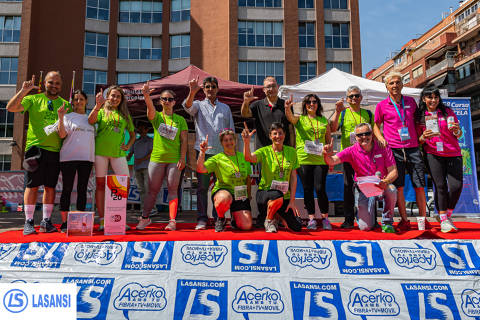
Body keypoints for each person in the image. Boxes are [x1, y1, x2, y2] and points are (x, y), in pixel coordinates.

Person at [7, 71, 71, 235]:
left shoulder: (65, 105)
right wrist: (23, 91)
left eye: (57, 83)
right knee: (32, 186)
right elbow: (11, 107)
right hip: (35, 149)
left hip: (55, 150)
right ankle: (29, 222)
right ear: (44, 83)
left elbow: (66, 132)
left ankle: (46, 221)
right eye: (51, 82)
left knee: (50, 187)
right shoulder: (33, 99)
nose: (54, 86)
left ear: (61, 86)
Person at [373, 71, 428, 231]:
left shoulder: (411, 101)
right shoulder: (381, 105)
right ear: (386, 86)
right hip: (393, 150)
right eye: (391, 83)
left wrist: (422, 136)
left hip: (412, 148)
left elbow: (418, 122)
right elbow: (376, 124)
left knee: (419, 185)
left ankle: (422, 221)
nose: (395, 85)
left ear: (403, 84)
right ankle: (404, 220)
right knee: (399, 187)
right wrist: (380, 137)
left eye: (398, 82)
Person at [324, 123, 398, 232]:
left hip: (381, 185)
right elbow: (332, 161)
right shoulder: (351, 150)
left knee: (392, 189)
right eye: (360, 135)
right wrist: (326, 154)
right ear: (355, 137)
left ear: (372, 134)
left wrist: (386, 181)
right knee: (365, 228)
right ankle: (363, 216)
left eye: (367, 133)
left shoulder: (383, 147)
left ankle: (387, 223)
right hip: (364, 189)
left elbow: (394, 172)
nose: (364, 137)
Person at [183, 76, 234, 230]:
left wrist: (231, 153)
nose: (210, 89)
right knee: (202, 188)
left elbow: (230, 131)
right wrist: (192, 91)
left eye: (213, 86)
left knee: (220, 187)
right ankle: (202, 219)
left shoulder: (225, 108)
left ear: (217, 89)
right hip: (203, 153)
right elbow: (187, 106)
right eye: (207, 87)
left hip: (221, 154)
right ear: (203, 89)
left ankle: (219, 218)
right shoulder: (198, 104)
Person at [241, 76, 293, 228]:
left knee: (283, 184)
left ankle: (279, 216)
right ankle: (265, 216)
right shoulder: (257, 105)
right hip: (263, 152)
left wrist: (292, 148)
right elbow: (245, 114)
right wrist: (246, 101)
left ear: (278, 87)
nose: (270, 88)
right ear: (263, 90)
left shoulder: (285, 105)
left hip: (283, 152)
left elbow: (291, 127)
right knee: (264, 185)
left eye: (273, 85)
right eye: (267, 87)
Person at [136, 84, 187, 231]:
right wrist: (146, 96)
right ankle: (145, 218)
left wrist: (182, 158)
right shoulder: (157, 117)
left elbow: (184, 141)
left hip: (174, 159)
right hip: (157, 159)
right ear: (160, 101)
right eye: (163, 98)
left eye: (169, 99)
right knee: (152, 190)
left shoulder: (180, 120)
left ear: (174, 102)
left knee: (172, 190)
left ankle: (172, 221)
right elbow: (150, 111)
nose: (166, 101)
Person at [415, 85, 462, 233]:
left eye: (436, 97)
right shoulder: (420, 116)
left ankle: (447, 215)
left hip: (453, 153)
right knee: (440, 186)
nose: (433, 100)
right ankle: (443, 221)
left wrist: (457, 130)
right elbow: (417, 140)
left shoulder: (447, 111)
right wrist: (423, 137)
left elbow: (458, 134)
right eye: (430, 97)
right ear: (424, 99)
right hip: (433, 154)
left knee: (456, 186)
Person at [88, 86, 135, 231]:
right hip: (100, 152)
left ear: (121, 100)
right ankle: (102, 219)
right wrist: (97, 106)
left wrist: (128, 145)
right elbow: (90, 121)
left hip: (118, 153)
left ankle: (117, 217)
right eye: (113, 96)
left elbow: (133, 134)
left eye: (118, 97)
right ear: (108, 96)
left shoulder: (125, 115)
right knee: (101, 185)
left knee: (123, 184)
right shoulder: (101, 111)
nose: (115, 99)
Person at [242, 122, 302, 233]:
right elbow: (248, 158)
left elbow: (294, 177)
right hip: (265, 193)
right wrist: (246, 142)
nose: (278, 136)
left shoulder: (292, 152)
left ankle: (278, 216)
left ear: (284, 135)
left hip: (284, 196)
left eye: (280, 133)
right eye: (274, 134)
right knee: (277, 196)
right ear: (270, 136)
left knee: (296, 227)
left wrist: (292, 201)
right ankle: (269, 220)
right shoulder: (264, 151)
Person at [285, 94, 332, 230]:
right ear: (305, 105)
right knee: (307, 189)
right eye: (309, 102)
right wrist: (287, 108)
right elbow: (290, 118)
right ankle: (311, 218)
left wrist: (328, 147)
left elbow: (328, 140)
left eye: (314, 102)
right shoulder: (300, 119)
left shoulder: (324, 120)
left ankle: (325, 218)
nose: (312, 104)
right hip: (303, 159)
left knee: (320, 188)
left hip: (320, 159)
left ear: (318, 104)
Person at [330, 86, 374, 229]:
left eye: (356, 95)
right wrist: (337, 112)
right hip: (348, 156)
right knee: (348, 187)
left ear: (361, 97)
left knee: (368, 187)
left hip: (366, 156)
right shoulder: (343, 113)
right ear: (347, 99)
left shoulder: (367, 113)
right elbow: (333, 128)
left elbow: (375, 132)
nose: (353, 98)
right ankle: (348, 219)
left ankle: (371, 218)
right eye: (350, 96)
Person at [197, 130, 252, 232]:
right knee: (223, 198)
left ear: (235, 141)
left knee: (246, 226)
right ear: (221, 143)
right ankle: (221, 218)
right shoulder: (218, 158)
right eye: (225, 140)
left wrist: (248, 195)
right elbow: (201, 169)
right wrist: (202, 153)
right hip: (224, 191)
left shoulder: (243, 156)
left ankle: (234, 218)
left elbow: (248, 178)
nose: (229, 142)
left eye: (231, 139)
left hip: (240, 194)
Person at [57, 90, 94, 232]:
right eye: (76, 99)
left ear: (86, 101)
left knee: (82, 189)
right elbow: (61, 135)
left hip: (87, 158)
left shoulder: (91, 118)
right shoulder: (68, 117)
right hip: (68, 157)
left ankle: (80, 222)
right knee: (66, 189)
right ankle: (65, 222)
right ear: (72, 102)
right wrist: (60, 117)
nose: (78, 102)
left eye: (81, 99)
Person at [127, 123, 153, 213]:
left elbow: (151, 153)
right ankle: (143, 208)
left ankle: (152, 209)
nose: (140, 130)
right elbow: (131, 153)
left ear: (147, 130)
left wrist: (141, 159)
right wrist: (126, 157)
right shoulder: (135, 141)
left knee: (147, 189)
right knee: (141, 189)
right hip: (137, 168)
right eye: (139, 129)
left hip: (147, 167)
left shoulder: (150, 140)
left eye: (142, 128)